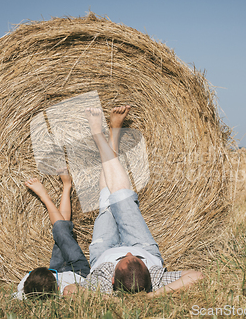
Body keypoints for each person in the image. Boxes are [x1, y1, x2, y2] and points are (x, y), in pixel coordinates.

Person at [63, 105, 203, 297]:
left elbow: (70, 291)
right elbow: (197, 276)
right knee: (121, 196)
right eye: (135, 259)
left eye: (125, 258)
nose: (128, 253)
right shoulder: (155, 279)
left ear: (111, 280)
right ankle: (102, 135)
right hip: (142, 247)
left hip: (103, 252)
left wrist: (109, 300)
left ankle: (108, 136)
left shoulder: (101, 285)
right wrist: (154, 295)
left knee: (106, 198)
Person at [14, 169, 90, 300]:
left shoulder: (25, 292)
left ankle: (66, 187)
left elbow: (14, 296)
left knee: (63, 231)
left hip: (55, 269)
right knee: (61, 228)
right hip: (78, 271)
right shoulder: (67, 292)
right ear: (58, 289)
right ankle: (47, 196)